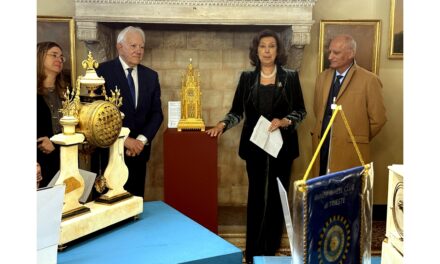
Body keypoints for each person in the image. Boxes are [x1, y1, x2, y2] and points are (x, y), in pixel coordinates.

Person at [206, 29, 306, 263]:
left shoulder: (290, 77)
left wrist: (284, 121)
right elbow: (236, 111)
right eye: (263, 46)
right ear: (256, 51)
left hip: (282, 147)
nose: (267, 50)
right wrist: (222, 124)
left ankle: (270, 252)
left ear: (278, 51)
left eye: (272, 46)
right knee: (257, 198)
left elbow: (301, 111)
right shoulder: (247, 78)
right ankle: (253, 254)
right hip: (255, 148)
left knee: (275, 198)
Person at [94, 26, 164, 198]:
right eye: (133, 46)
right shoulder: (101, 72)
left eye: (141, 47)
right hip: (109, 153)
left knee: (134, 204)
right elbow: (95, 115)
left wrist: (140, 141)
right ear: (120, 47)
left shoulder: (151, 76)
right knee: (108, 209)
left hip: (138, 154)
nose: (139, 51)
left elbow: (157, 114)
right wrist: (124, 140)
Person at [312, 34, 387, 177]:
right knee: (322, 191)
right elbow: (318, 111)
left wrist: (358, 138)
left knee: (346, 194)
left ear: (351, 54)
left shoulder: (369, 80)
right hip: (322, 147)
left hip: (350, 151)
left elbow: (379, 119)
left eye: (336, 53)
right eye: (330, 52)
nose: (330, 57)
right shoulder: (322, 78)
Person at [37, 41, 67, 187]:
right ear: (40, 57)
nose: (59, 59)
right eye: (54, 55)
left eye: (61, 57)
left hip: (66, 158)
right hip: (40, 162)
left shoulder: (68, 92)